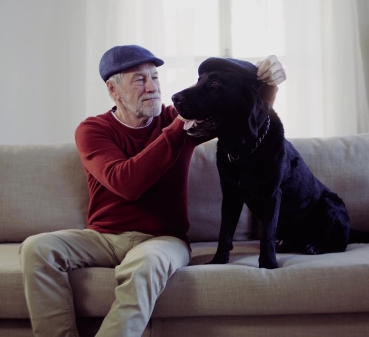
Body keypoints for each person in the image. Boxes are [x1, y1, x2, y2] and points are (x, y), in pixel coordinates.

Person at [20, 45, 286, 337]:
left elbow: (248, 113)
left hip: (164, 239)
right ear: (113, 89)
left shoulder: (184, 119)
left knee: (146, 264)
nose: (152, 88)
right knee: (37, 248)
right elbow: (126, 182)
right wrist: (175, 129)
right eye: (139, 80)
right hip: (103, 238)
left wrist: (270, 82)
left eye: (155, 78)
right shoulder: (94, 130)